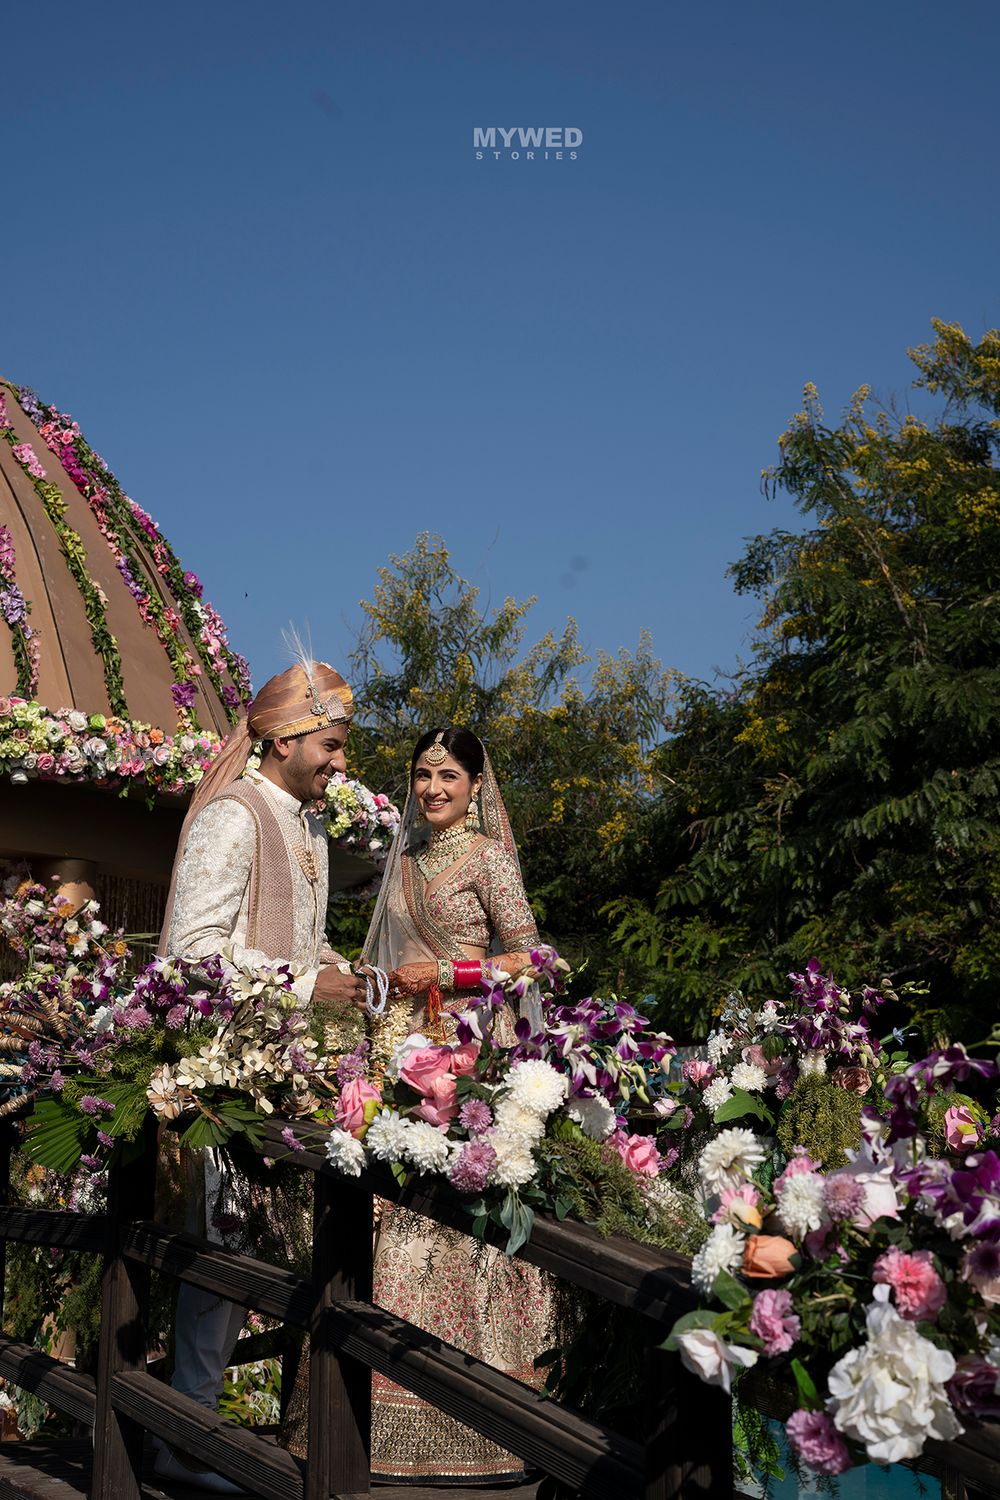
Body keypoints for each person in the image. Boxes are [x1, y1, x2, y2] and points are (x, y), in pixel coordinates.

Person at [154, 656, 367, 1493]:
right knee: (220, 1255)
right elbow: (189, 955)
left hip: (286, 1075)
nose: (342, 762)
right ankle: (180, 1436)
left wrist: (335, 970)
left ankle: (203, 1428)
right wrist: (300, 981)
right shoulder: (234, 818)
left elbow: (299, 941)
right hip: (218, 1080)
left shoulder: (308, 825)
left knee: (268, 1262)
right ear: (281, 738)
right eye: (332, 745)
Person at [363, 726, 555, 1484]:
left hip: (475, 1053)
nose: (432, 789)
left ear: (477, 786)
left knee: (465, 1216)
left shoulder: (490, 859)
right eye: (421, 776)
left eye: (447, 776)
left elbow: (535, 957)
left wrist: (447, 970)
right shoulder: (402, 863)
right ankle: (380, 1416)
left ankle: (490, 1421)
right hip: (404, 1054)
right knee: (396, 1216)